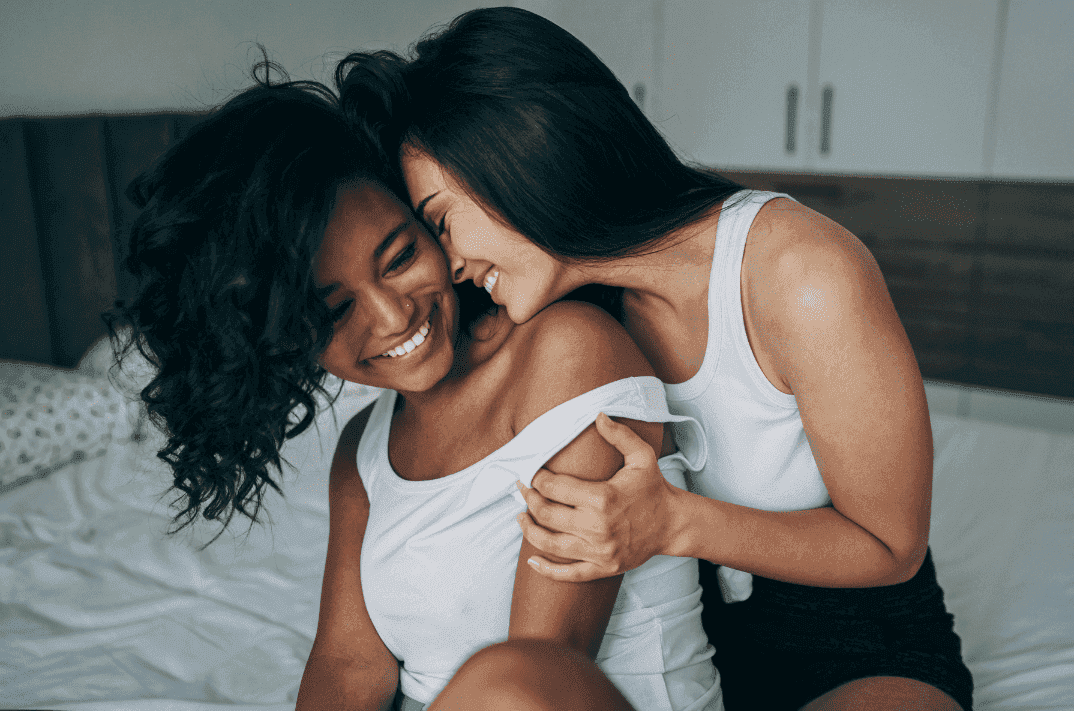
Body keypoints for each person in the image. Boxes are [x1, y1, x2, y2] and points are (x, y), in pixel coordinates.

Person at [334, 6, 975, 711]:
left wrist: (674, 521)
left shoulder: (799, 273)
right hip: (707, 655)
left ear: (518, 157)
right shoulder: (573, 315)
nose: (450, 264)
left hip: (860, 646)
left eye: (440, 221)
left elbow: (893, 545)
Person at [108, 60, 723, 711]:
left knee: (510, 678)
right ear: (288, 339)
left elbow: (545, 669)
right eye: (336, 308)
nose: (393, 315)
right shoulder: (363, 452)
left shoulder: (568, 350)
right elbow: (348, 662)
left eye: (399, 257)